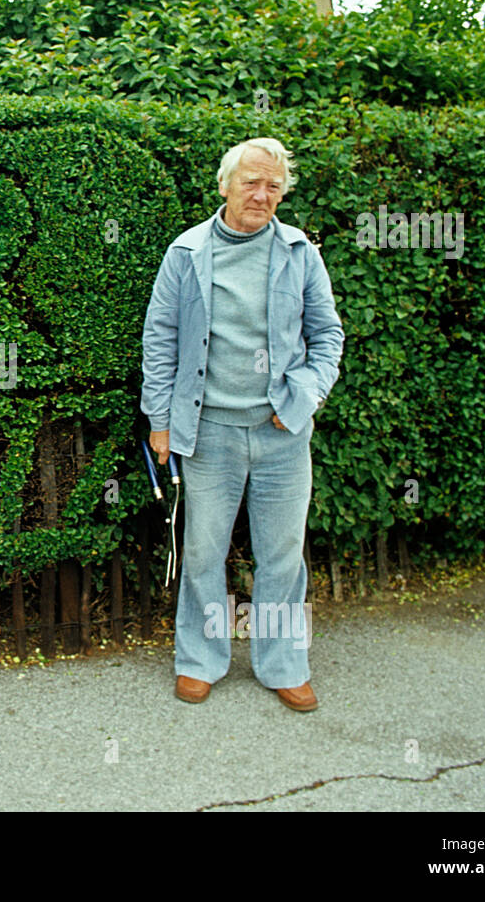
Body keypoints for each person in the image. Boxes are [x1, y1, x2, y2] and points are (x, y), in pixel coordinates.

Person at [140, 137, 344, 711]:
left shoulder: (301, 252)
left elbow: (327, 337)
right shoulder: (186, 252)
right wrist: (160, 420)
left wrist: (301, 398)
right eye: (251, 182)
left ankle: (283, 664)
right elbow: (160, 340)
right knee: (203, 553)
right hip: (207, 434)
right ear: (225, 184)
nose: (261, 195)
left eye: (273, 186)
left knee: (282, 554)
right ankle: (200, 660)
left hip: (282, 433)